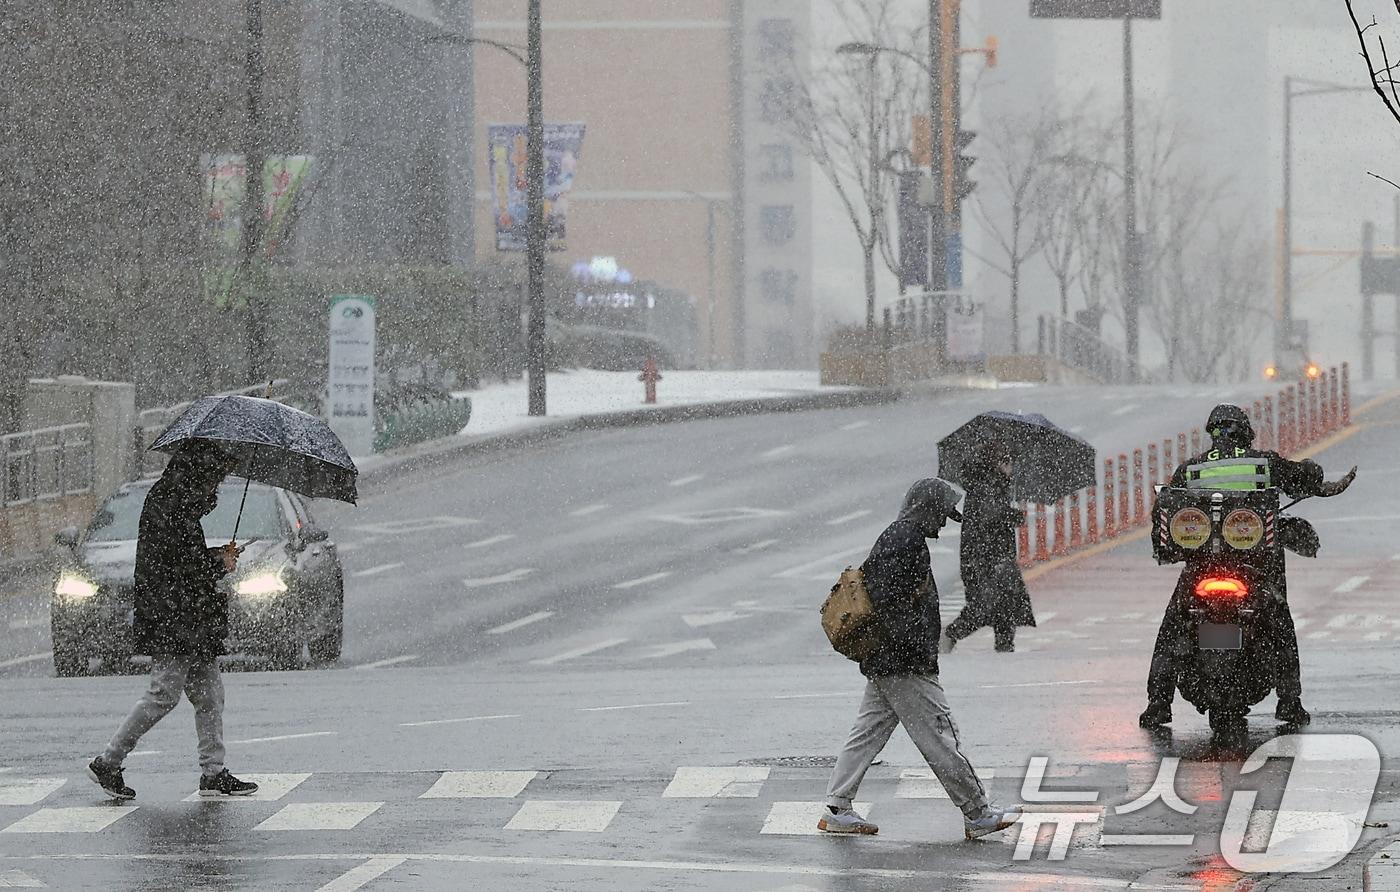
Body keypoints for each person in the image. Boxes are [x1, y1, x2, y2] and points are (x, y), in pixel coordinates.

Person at [818, 478, 1022, 839]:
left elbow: (887, 600)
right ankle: (977, 813)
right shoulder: (905, 540)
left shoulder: (899, 536)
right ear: (926, 509)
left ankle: (837, 808)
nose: (943, 523)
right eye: (942, 514)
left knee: (866, 734)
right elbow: (887, 602)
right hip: (904, 664)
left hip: (888, 660)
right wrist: (913, 650)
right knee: (940, 735)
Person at [1138, 403, 1337, 729]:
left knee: (1172, 626)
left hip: (1202, 567)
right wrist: (1311, 471)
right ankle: (1290, 701)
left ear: (1213, 434)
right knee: (1281, 625)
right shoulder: (1264, 464)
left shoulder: (1191, 470)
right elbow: (1304, 478)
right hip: (1252, 566)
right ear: (1245, 433)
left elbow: (1169, 510)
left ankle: (1159, 703)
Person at [86, 442, 260, 800]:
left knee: (209, 695)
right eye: (215, 477)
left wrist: (217, 556)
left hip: (186, 615)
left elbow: (184, 560)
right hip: (174, 617)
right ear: (200, 474)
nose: (217, 486)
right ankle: (108, 761)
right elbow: (182, 567)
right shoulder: (172, 505)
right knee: (163, 694)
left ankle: (213, 772)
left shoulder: (177, 502)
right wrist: (218, 562)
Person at [941, 442, 1034, 653]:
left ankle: (1005, 646)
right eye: (1008, 462)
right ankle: (950, 635)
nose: (1011, 467)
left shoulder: (992, 484)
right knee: (984, 605)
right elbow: (991, 515)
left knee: (1006, 604)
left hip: (994, 556)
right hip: (984, 559)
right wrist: (1015, 515)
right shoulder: (986, 485)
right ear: (997, 463)